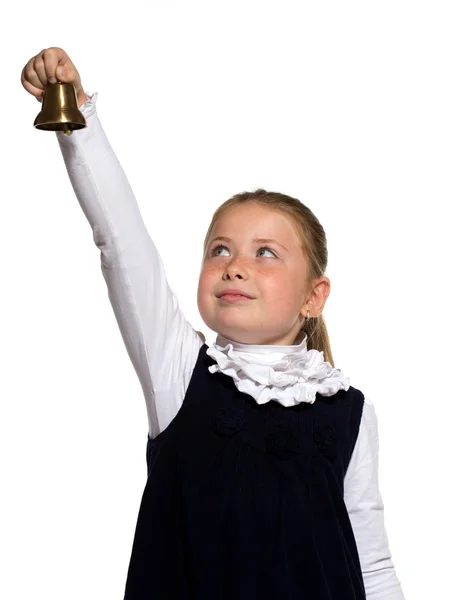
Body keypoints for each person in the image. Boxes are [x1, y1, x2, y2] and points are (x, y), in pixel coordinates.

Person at [21, 47, 405, 600]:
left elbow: (372, 563)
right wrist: (77, 119)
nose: (236, 266)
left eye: (266, 253)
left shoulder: (351, 412)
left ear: (313, 296)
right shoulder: (179, 375)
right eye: (219, 249)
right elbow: (123, 245)